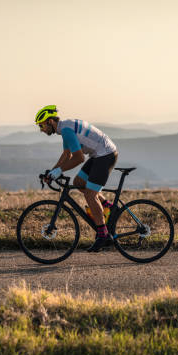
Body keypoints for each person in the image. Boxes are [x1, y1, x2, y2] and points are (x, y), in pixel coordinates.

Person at [35, 105, 118, 252]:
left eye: (41, 126)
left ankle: (102, 234)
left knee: (90, 194)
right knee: (79, 182)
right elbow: (67, 155)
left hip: (105, 155)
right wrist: (52, 171)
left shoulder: (66, 130)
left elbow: (79, 158)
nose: (41, 130)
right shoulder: (64, 128)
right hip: (98, 154)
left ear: (50, 122)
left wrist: (59, 171)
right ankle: (109, 207)